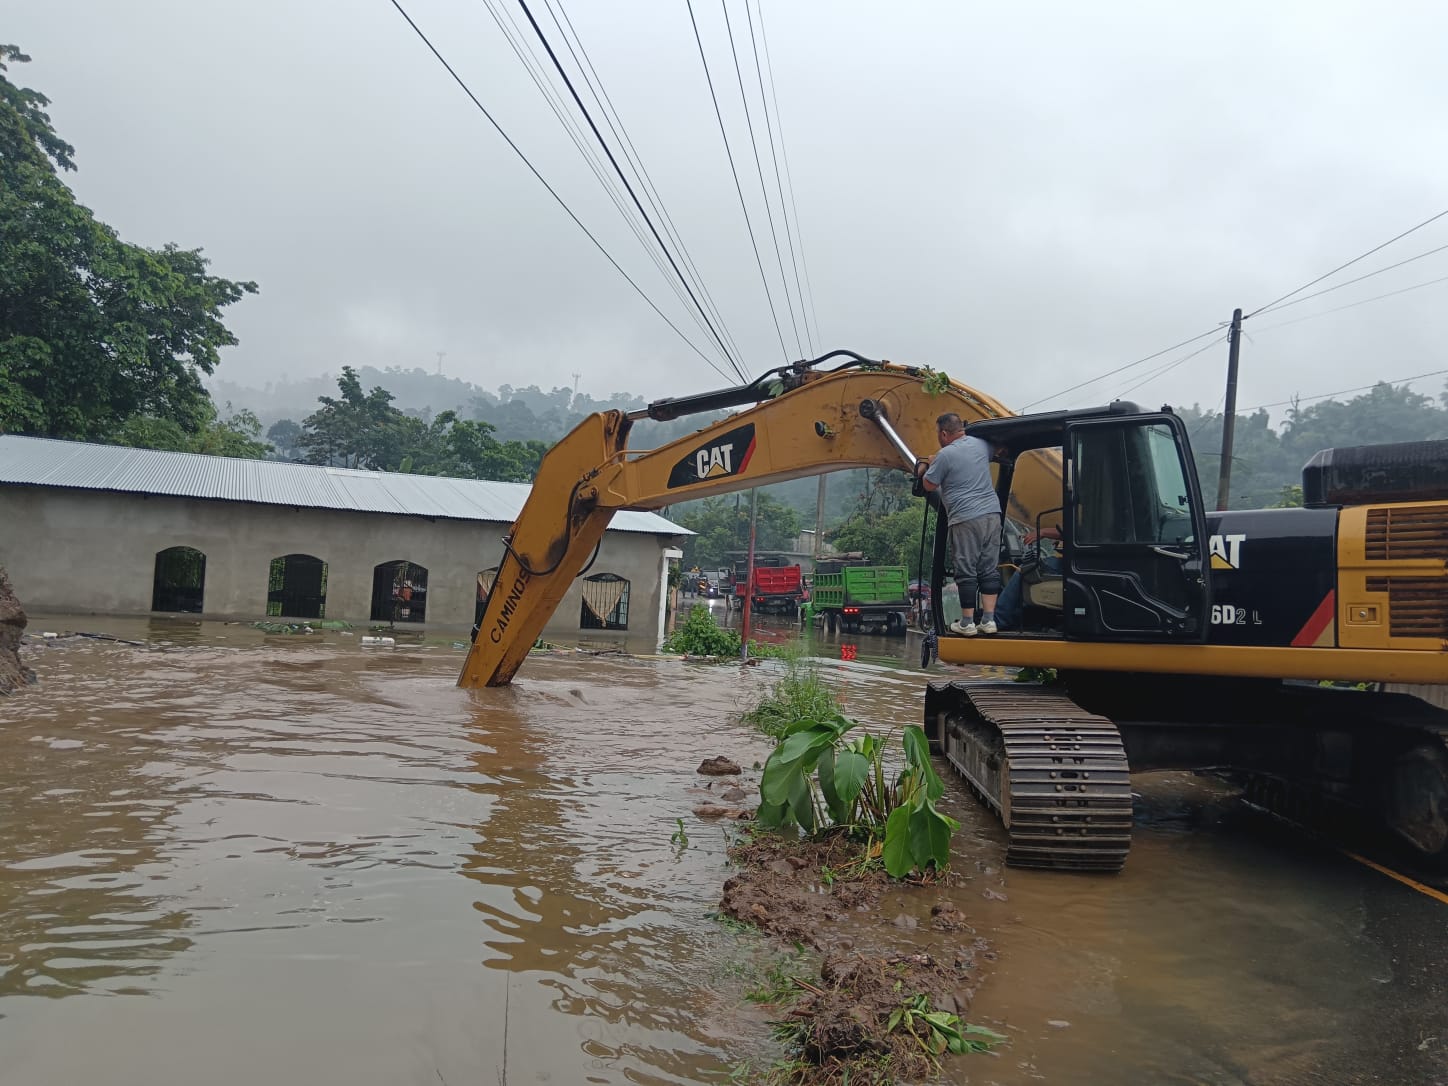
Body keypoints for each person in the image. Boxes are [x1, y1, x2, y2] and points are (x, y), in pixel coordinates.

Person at [917, 413, 1003, 636]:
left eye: (938, 434)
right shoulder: (982, 445)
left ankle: (967, 623)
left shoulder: (945, 455)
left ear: (944, 433)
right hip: (992, 514)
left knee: (966, 569)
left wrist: (927, 464)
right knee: (989, 568)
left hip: (965, 516)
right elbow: (999, 451)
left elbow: (928, 485)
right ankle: (989, 620)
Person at [996, 526, 1062, 630]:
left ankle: (999, 619)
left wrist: (1043, 532)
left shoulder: (1090, 519)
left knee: (1025, 570)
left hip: (1073, 564)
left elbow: (1074, 531)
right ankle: (1018, 617)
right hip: (1077, 562)